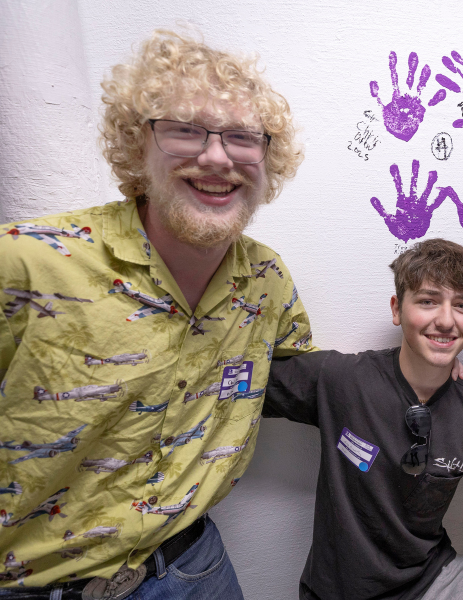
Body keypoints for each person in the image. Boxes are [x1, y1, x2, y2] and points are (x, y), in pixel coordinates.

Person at [0, 30, 313, 599]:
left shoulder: (265, 281)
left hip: (192, 568)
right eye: (185, 130)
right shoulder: (27, 261)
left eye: (243, 137)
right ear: (135, 146)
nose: (217, 156)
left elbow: (313, 373)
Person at [263, 238, 463, 600]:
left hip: (433, 584)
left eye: (462, 306)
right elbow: (239, 376)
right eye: (428, 301)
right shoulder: (342, 380)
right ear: (397, 309)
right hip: (337, 589)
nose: (446, 321)